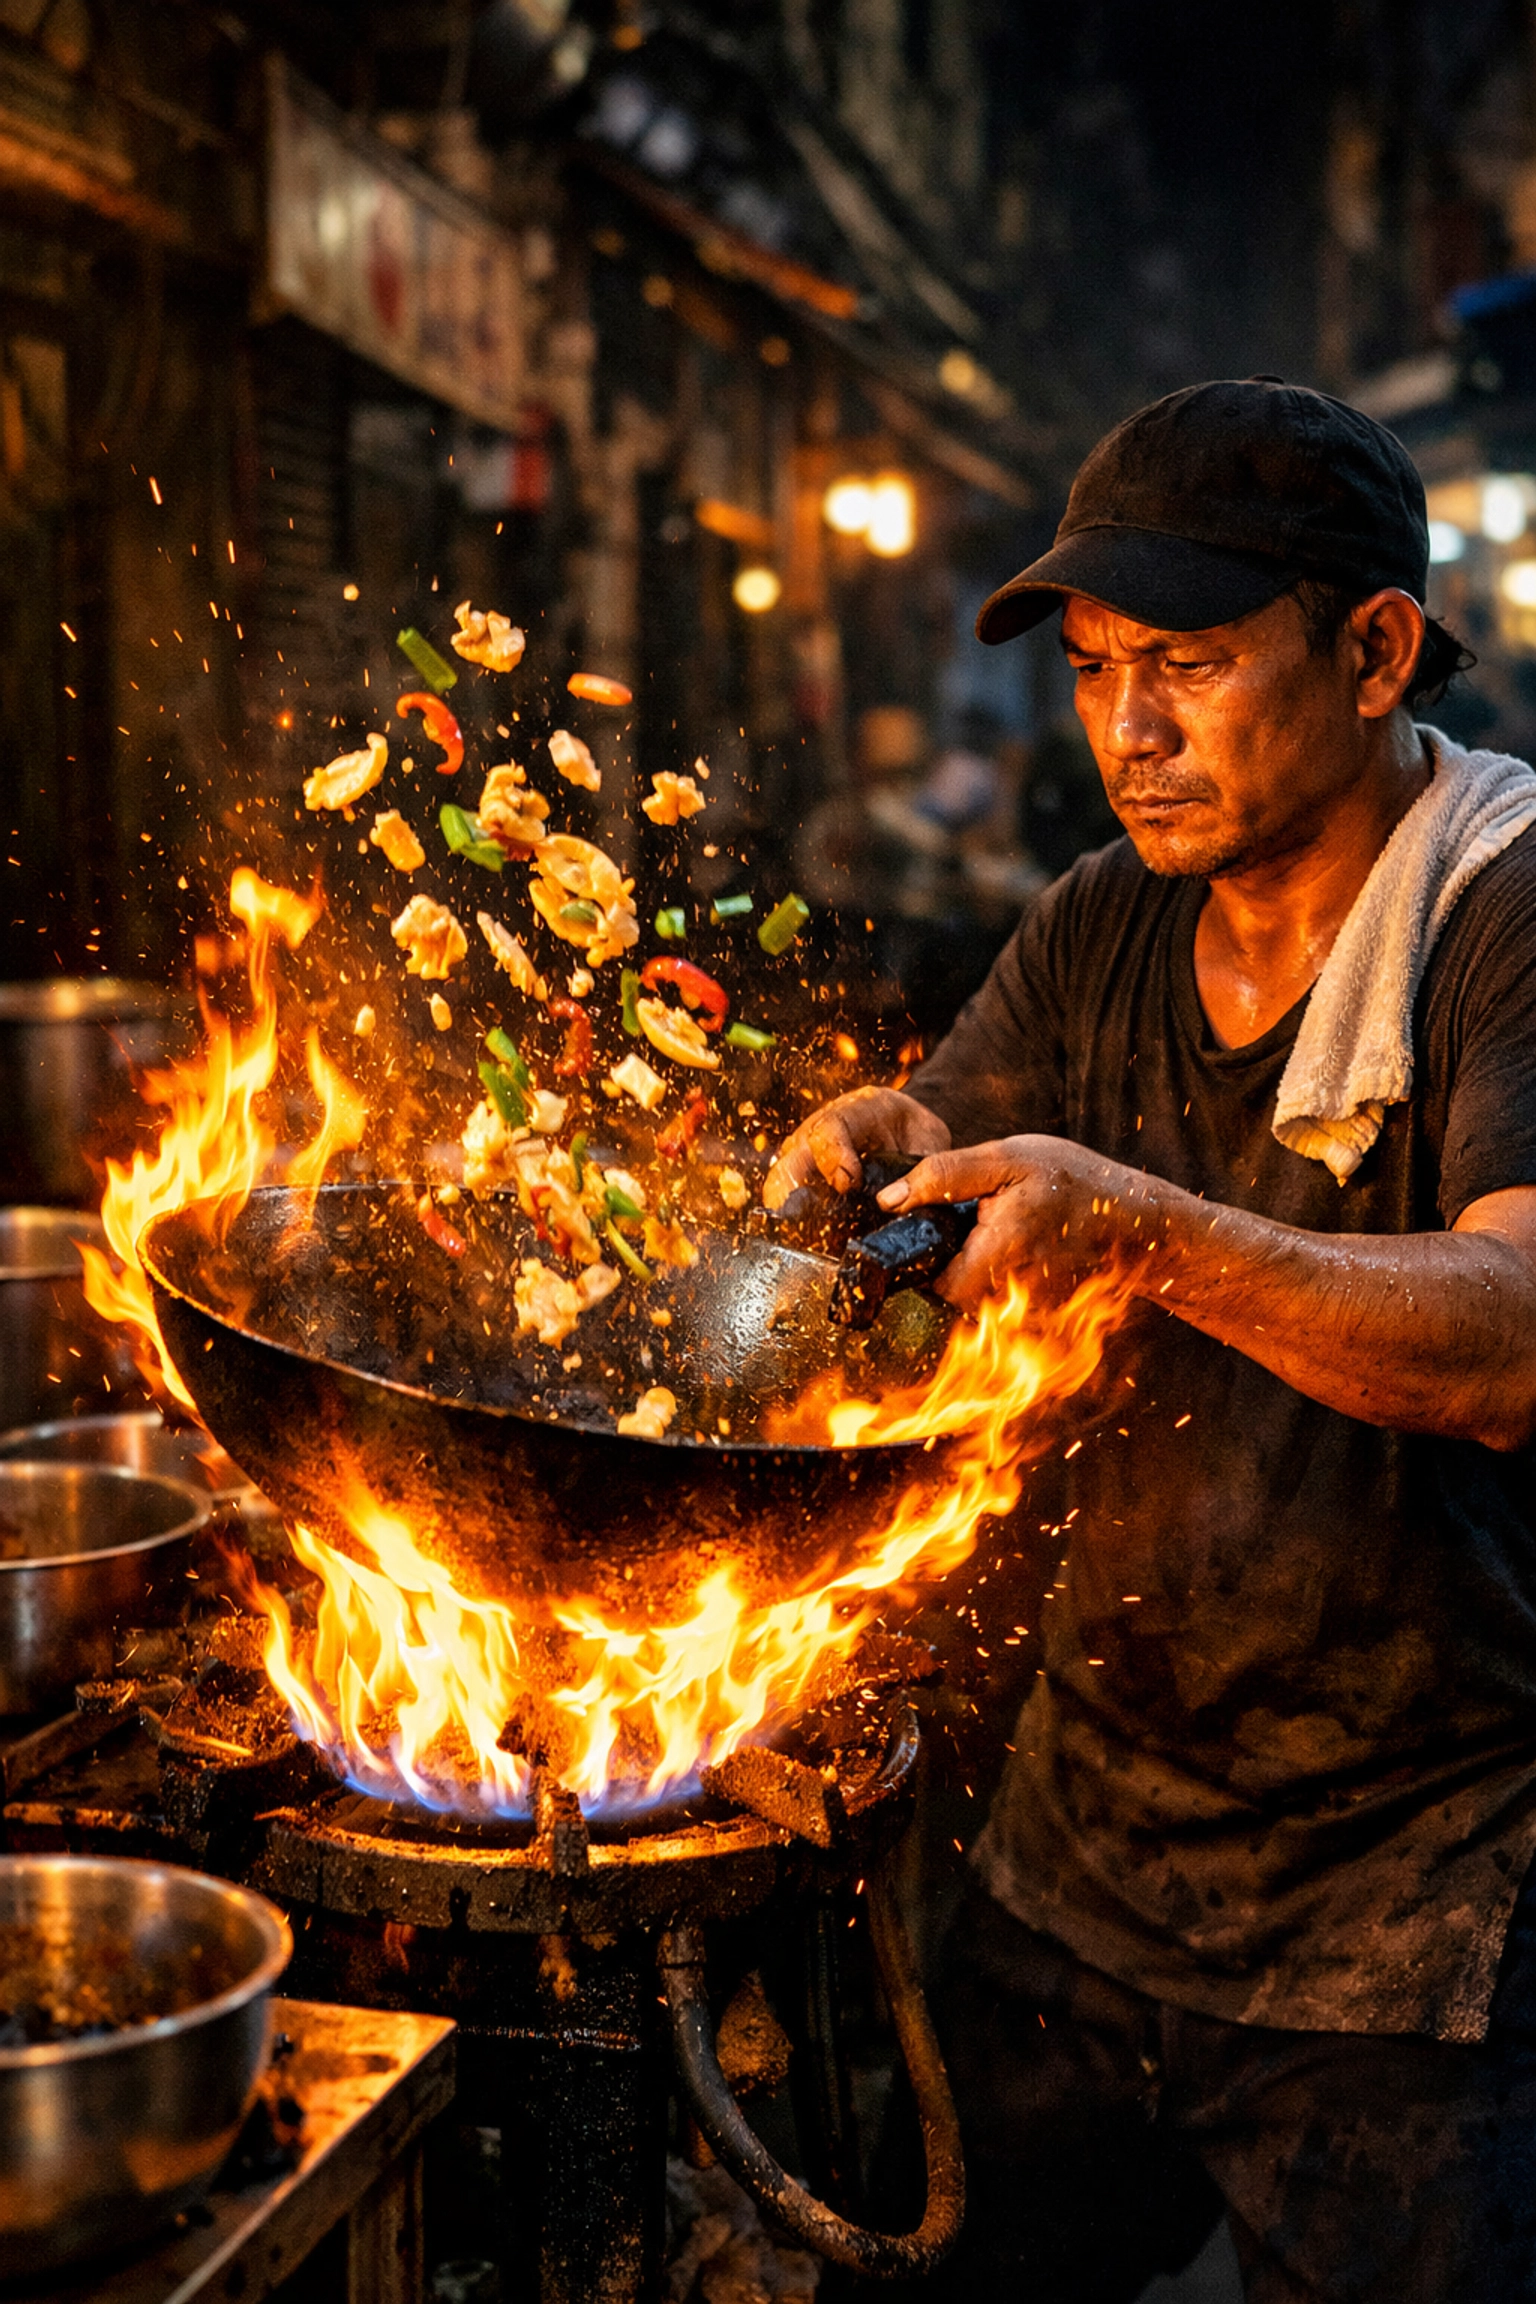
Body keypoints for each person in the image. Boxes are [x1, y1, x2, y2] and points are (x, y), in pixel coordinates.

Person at [765, 378, 1536, 2302]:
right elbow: (952, 1133)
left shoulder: (1503, 913)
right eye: (1100, 671)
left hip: (1407, 1911)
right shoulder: (1106, 916)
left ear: (1372, 651)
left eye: (1185, 664)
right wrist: (887, 1145)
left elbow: (1518, 1339)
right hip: (1084, 1852)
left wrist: (1148, 1237)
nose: (1126, 729)